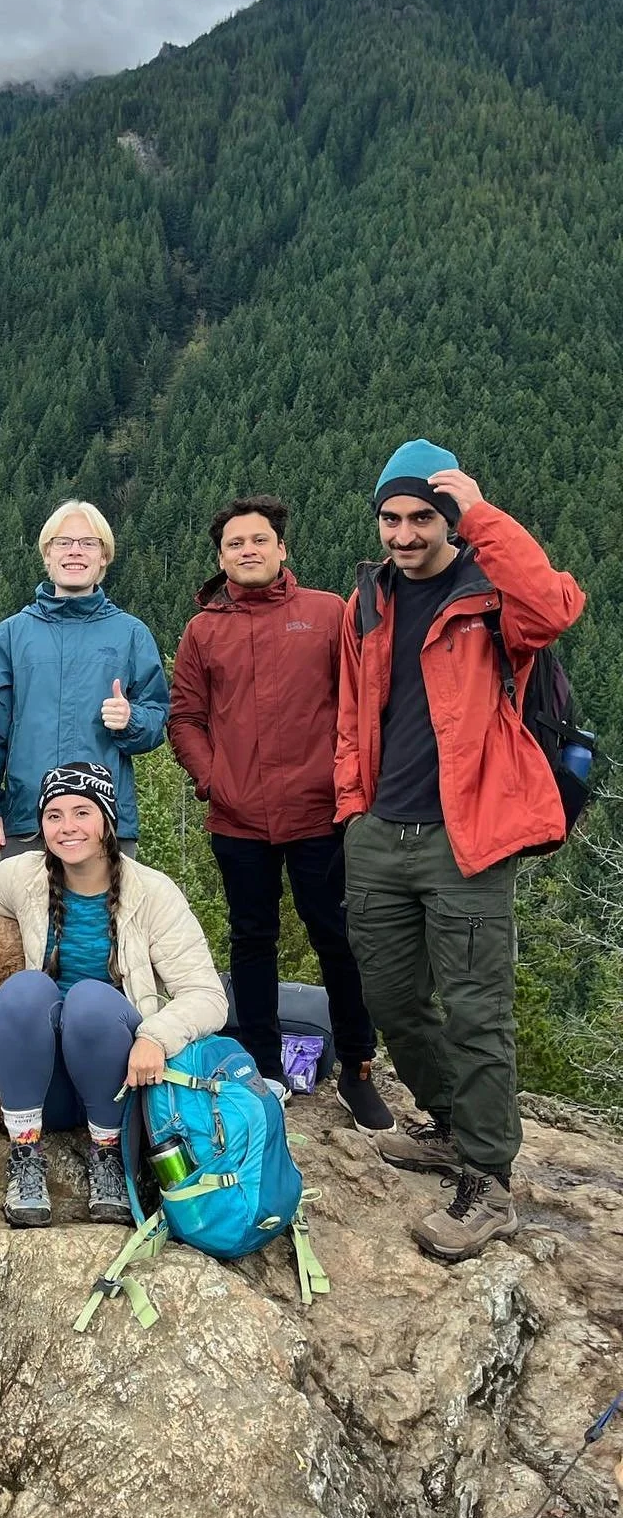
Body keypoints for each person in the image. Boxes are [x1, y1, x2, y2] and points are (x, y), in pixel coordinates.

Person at [337, 441, 585, 1261]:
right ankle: (448, 1126)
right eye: (392, 518)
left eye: (421, 518)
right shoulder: (367, 600)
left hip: (467, 836)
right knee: (393, 998)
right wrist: (352, 811)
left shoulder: (488, 599)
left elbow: (553, 607)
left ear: (449, 520)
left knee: (477, 1013)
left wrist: (482, 515)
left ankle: (488, 1181)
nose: (405, 535)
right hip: (381, 834)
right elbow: (352, 712)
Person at [168, 495, 391, 1130]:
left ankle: (357, 1067)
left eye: (259, 540)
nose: (248, 550)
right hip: (238, 818)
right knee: (251, 940)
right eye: (236, 543)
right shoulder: (203, 630)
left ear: (281, 548)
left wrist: (346, 785)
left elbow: (357, 703)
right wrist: (214, 779)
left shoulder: (325, 614)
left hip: (321, 812)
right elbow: (185, 717)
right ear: (222, 557)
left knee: (338, 939)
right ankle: (262, 1066)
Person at [0, 763, 227, 1226]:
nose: (67, 828)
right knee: (24, 990)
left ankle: (108, 1157)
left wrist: (157, 1036)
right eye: (54, 815)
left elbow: (207, 996)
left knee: (89, 1000)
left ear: (107, 819)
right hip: (45, 1087)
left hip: (118, 1082)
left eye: (81, 812)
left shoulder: (153, 892)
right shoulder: (24, 875)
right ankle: (25, 1155)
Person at [0, 500, 168, 861]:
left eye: (88, 543)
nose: (75, 551)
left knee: (104, 919)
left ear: (104, 557)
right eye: (63, 542)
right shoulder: (12, 635)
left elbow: (158, 719)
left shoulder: (131, 634)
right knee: (23, 920)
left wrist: (132, 720)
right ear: (47, 555)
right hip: (27, 820)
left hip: (106, 821)